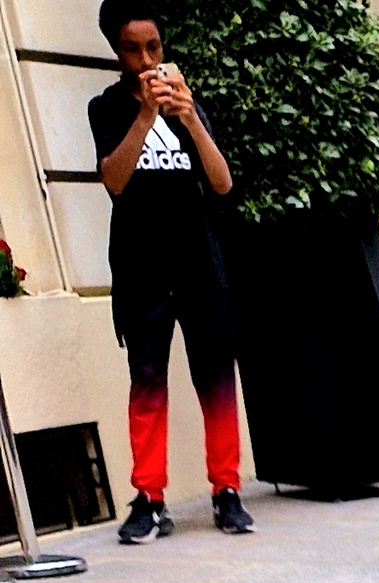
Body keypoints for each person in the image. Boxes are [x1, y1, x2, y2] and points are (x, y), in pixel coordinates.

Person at [88, 4, 251, 540]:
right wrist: (145, 117)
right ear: (118, 52)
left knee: (216, 379)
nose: (145, 60)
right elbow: (114, 180)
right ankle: (149, 498)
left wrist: (187, 119)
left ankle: (227, 491)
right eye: (133, 50)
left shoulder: (190, 107)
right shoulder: (106, 108)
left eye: (153, 47)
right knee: (148, 380)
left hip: (200, 264)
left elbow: (222, 183)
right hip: (142, 268)